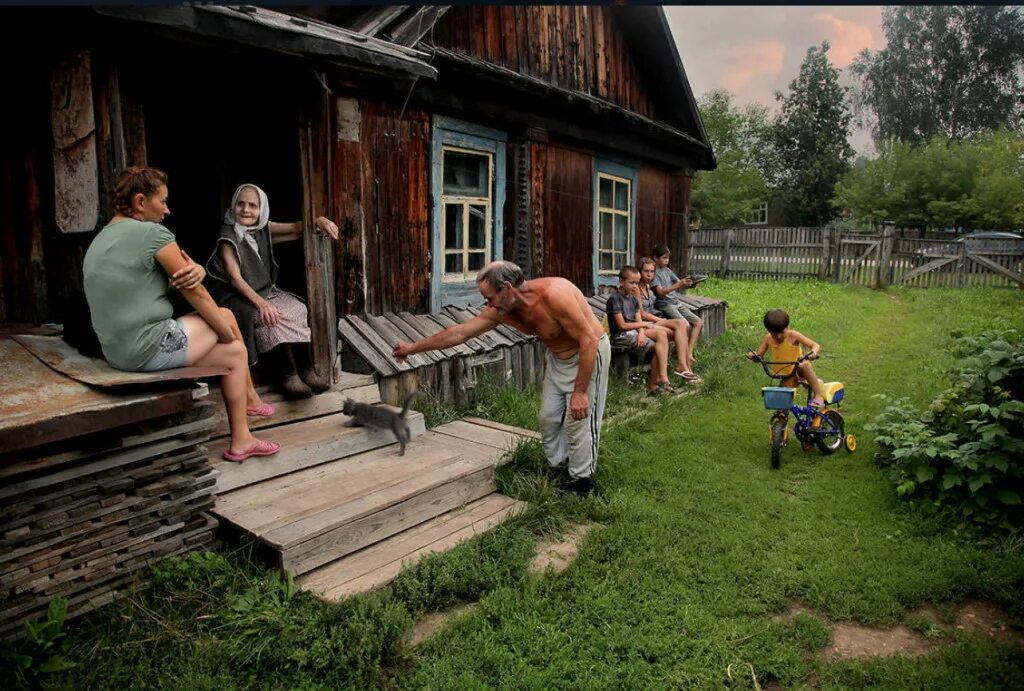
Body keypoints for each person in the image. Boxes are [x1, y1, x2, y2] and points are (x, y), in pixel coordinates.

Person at [83, 167, 280, 462]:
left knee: (230, 336)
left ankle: (246, 421)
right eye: (162, 201)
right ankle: (245, 424)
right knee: (230, 334)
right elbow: (197, 293)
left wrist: (198, 270)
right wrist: (226, 336)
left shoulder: (102, 238)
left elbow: (176, 279)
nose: (167, 209)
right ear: (140, 202)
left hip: (116, 350)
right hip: (148, 345)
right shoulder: (153, 234)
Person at [392, 261, 610, 498]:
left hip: (589, 352)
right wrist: (412, 348)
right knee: (548, 417)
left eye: (490, 297)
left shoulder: (555, 294)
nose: (488, 304)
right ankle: (559, 469)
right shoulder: (501, 310)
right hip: (558, 358)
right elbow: (459, 333)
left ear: (506, 288)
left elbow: (589, 340)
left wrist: (579, 392)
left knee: (577, 420)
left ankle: (580, 483)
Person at [204, 183, 340, 399]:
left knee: (297, 308)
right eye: (241, 204)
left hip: (262, 290)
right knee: (271, 316)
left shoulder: (262, 229)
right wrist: (262, 303)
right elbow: (234, 277)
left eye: (253, 206)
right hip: (234, 295)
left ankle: (306, 369)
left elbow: (297, 228)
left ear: (262, 210)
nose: (246, 210)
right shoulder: (228, 234)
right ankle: (288, 375)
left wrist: (319, 221)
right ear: (233, 205)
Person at [606, 265, 672, 395]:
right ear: (621, 282)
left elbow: (638, 322)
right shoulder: (615, 299)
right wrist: (644, 325)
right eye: (632, 283)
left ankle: (655, 383)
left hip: (634, 334)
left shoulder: (633, 300)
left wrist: (641, 334)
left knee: (661, 344)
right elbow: (622, 326)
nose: (635, 286)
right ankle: (658, 382)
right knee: (659, 346)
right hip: (620, 338)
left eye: (637, 283)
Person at [637, 256, 701, 383]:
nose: (649, 275)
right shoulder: (636, 288)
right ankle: (682, 368)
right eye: (646, 271)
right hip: (645, 322)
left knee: (682, 324)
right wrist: (657, 320)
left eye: (652, 271)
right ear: (639, 272)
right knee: (676, 331)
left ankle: (684, 365)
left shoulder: (648, 288)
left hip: (654, 319)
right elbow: (641, 313)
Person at [748, 308, 827, 408]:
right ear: (769, 331)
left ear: (787, 326)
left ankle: (818, 395)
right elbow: (759, 355)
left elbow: (815, 345)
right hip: (785, 375)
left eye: (782, 332)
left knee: (804, 364)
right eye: (774, 334)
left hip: (798, 370)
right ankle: (781, 420)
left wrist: (813, 352)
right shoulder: (768, 339)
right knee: (782, 404)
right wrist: (753, 356)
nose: (779, 336)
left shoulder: (793, 335)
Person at [649, 244, 704, 368]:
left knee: (699, 323)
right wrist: (679, 285)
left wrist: (691, 283)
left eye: (668, 258)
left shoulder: (667, 270)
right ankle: (683, 359)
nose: (667, 260)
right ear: (655, 258)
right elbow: (661, 292)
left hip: (675, 302)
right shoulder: (654, 273)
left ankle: (688, 353)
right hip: (665, 304)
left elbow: (679, 282)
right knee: (685, 325)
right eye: (664, 258)